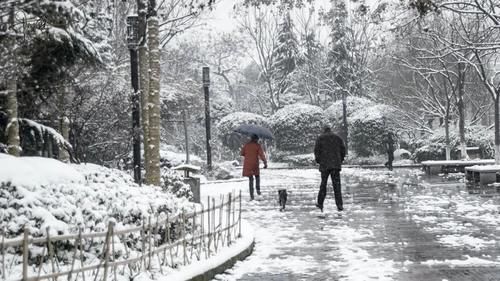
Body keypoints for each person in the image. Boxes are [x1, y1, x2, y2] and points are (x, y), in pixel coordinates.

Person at [314, 126, 346, 212]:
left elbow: (316, 151)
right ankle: (339, 205)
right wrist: (340, 160)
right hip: (335, 165)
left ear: (324, 130)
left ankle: (320, 203)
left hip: (324, 165)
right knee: (337, 186)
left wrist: (319, 161)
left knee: (323, 184)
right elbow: (343, 150)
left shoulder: (320, 138)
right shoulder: (337, 138)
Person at [240, 134, 268, 200]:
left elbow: (242, 153)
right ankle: (258, 189)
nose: (258, 140)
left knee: (250, 179)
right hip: (255, 163)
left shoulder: (246, 145)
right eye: (257, 139)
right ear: (255, 139)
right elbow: (261, 155)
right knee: (257, 176)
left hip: (247, 164)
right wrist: (265, 162)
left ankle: (251, 195)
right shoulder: (257, 146)